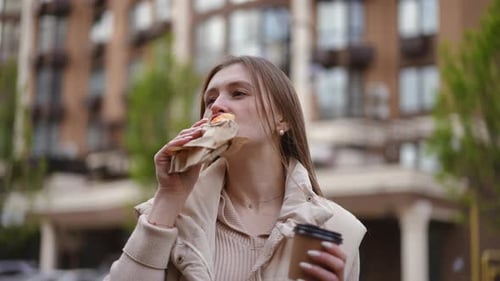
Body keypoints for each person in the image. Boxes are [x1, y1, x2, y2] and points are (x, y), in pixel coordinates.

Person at [104, 56, 366, 281]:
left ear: (282, 118)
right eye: (210, 99)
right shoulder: (172, 215)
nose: (216, 106)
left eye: (238, 93)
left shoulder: (335, 228)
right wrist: (169, 195)